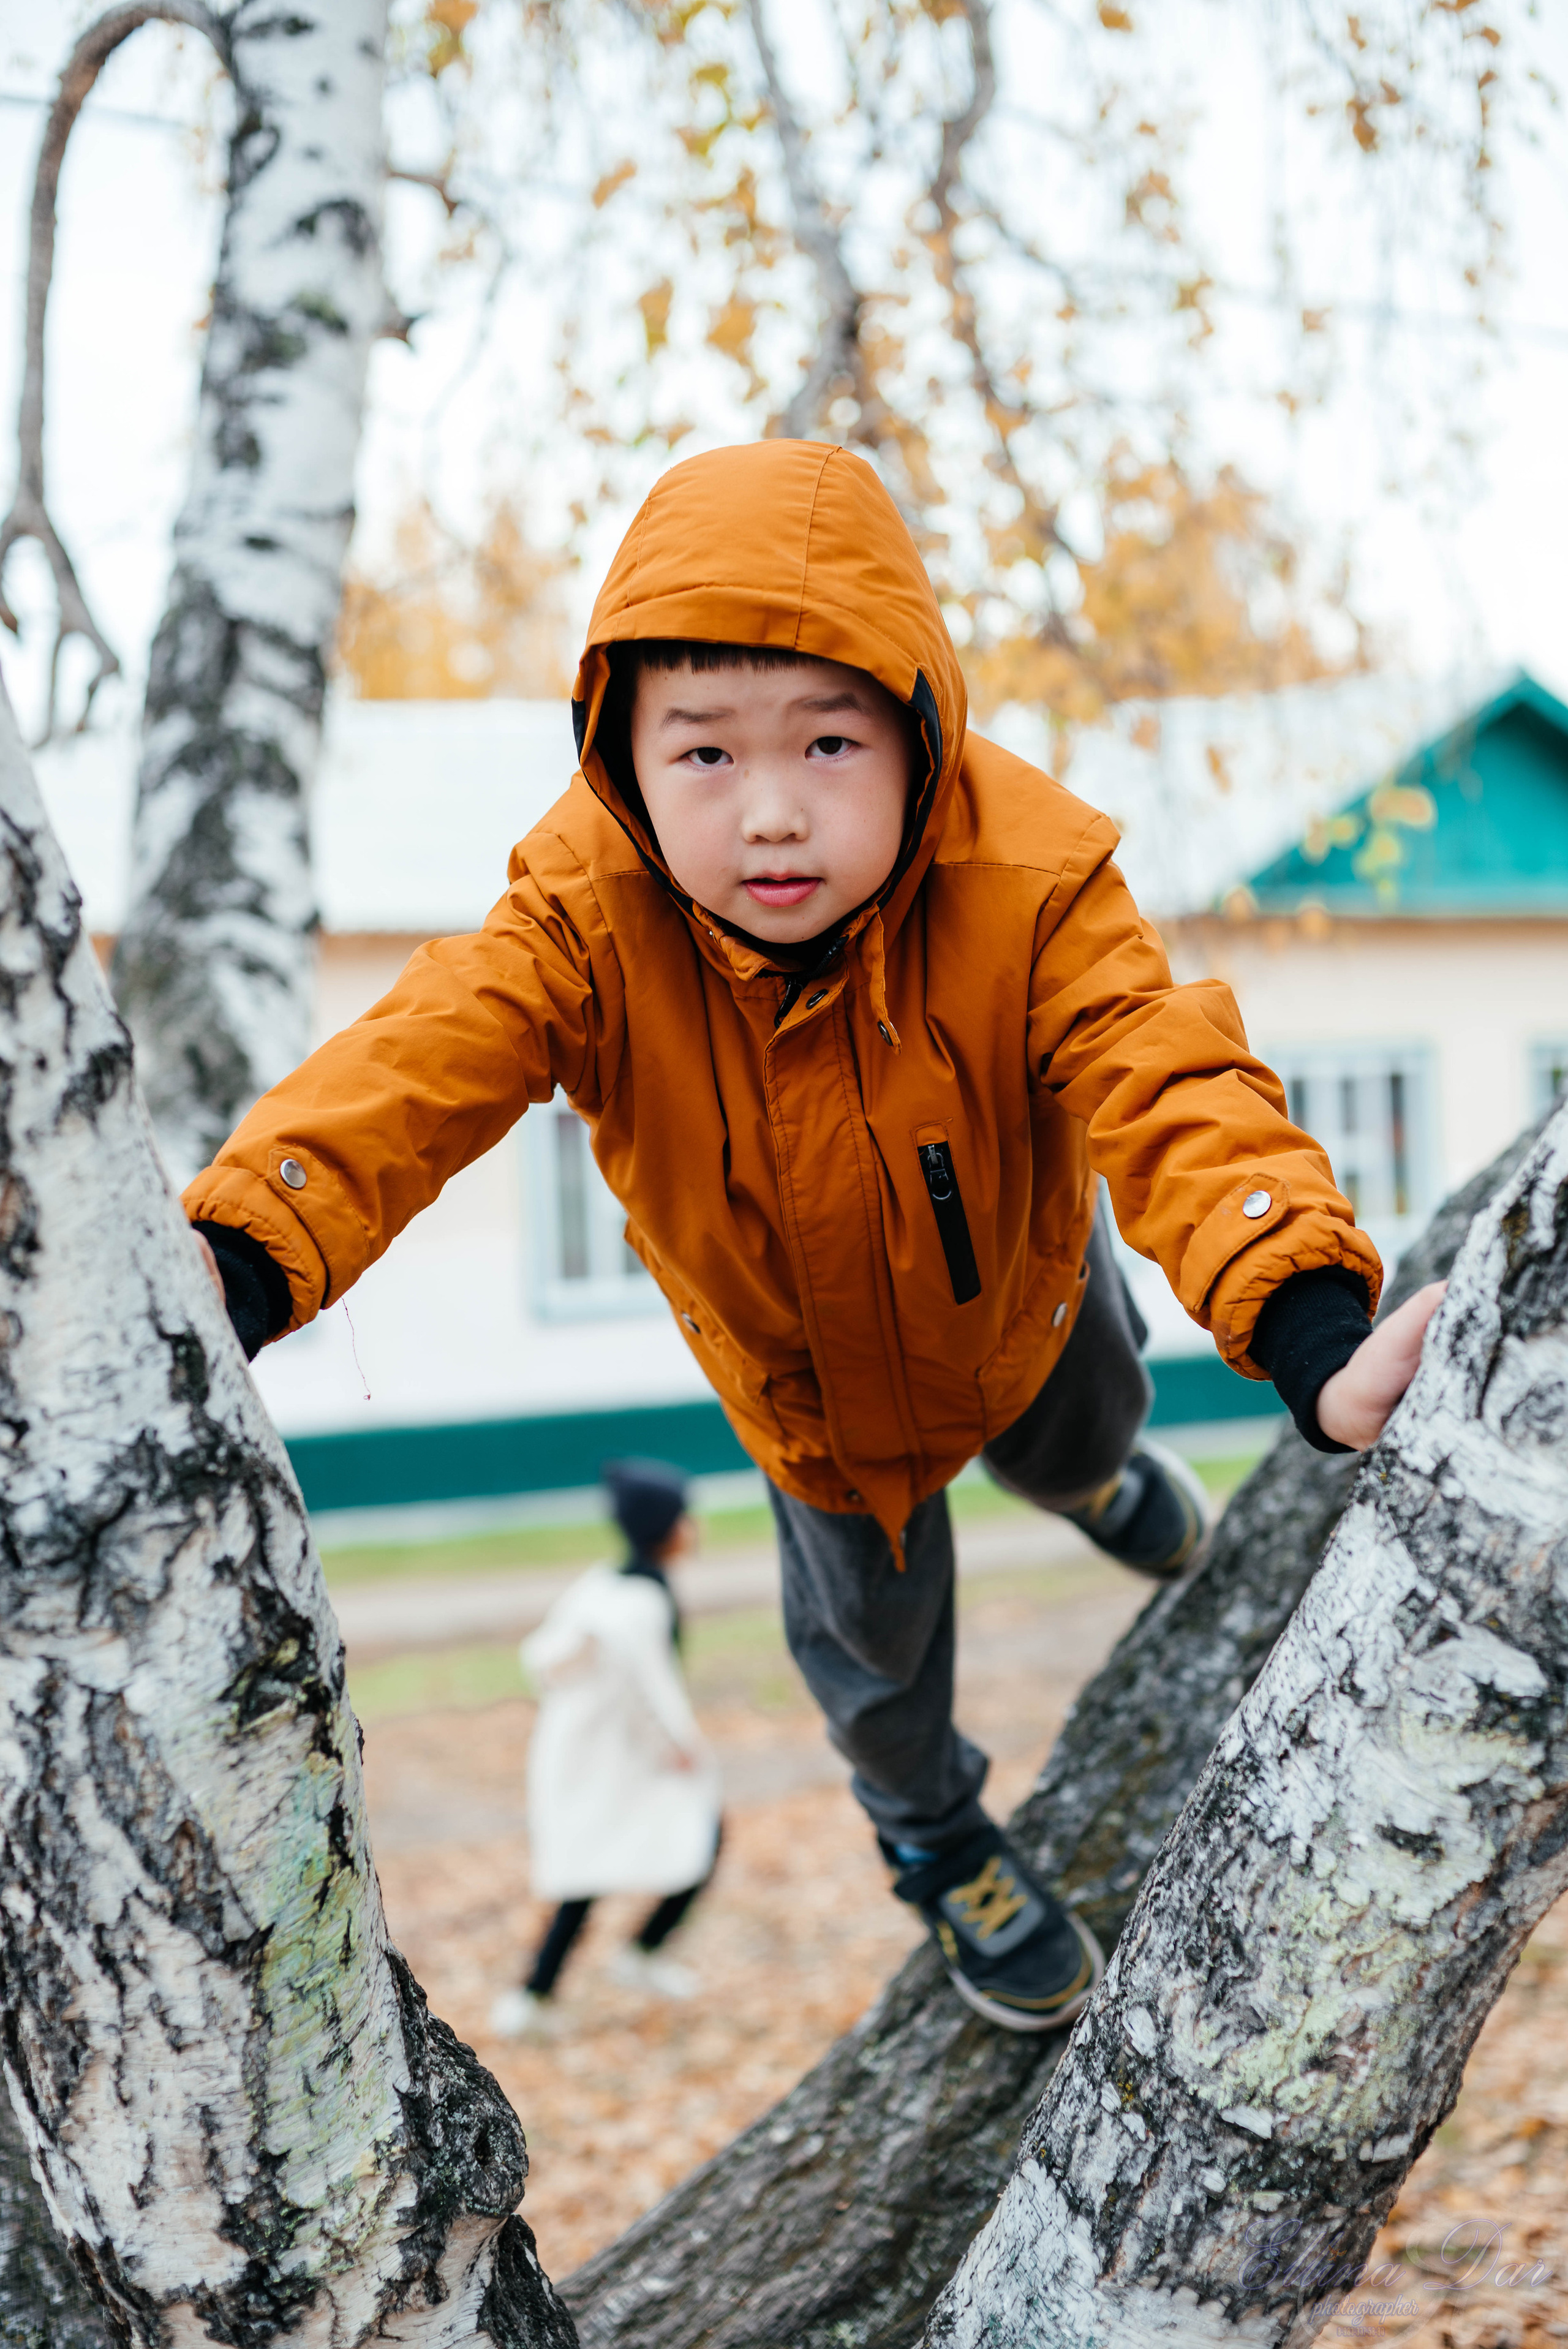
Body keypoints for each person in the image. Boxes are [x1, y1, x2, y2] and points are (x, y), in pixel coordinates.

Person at [186, 439, 1442, 2037]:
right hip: (816, 1407)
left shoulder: (1031, 880)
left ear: (920, 735)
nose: (772, 814)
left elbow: (1171, 1077)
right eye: (703, 754)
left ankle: (1098, 1485)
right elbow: (406, 1073)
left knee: (1079, 1443)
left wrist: (1319, 1328)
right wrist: (235, 1260)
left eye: (830, 742)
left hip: (1035, 1313)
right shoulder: (582, 920)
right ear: (620, 758)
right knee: (875, 1668)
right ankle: (936, 1838)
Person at [489, 1458, 722, 2040]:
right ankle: (546, 1991)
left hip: (595, 1751)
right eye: (685, 1516)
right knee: (691, 1833)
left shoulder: (605, 1582)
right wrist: (679, 1748)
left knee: (597, 1865)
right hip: (614, 1755)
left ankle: (551, 1989)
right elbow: (647, 1690)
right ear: (665, 1527)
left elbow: (549, 1654)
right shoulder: (641, 1600)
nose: (696, 1527)